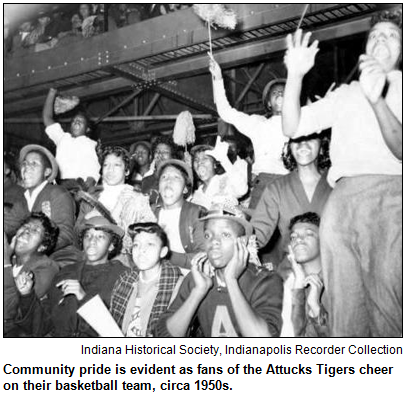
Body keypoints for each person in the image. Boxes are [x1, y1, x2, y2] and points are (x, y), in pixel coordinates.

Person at [282, 11, 402, 336]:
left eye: (391, 35)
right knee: (344, 310)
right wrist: (294, 76)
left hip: (391, 195)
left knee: (388, 304)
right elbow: (292, 126)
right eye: (375, 34)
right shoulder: (347, 93)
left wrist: (377, 101)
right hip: (341, 200)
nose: (381, 39)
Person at [155, 202, 283, 337]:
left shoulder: (265, 281)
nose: (214, 241)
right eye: (208, 235)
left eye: (225, 235)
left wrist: (231, 281)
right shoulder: (198, 278)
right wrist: (198, 292)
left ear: (243, 242)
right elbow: (163, 337)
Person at [15, 216, 127, 337]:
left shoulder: (123, 277)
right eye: (87, 236)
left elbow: (118, 332)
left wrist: (83, 297)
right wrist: (27, 295)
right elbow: (40, 327)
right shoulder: (65, 273)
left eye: (100, 236)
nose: (92, 241)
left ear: (111, 246)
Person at [209, 56, 289, 209]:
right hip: (264, 182)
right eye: (275, 93)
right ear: (268, 103)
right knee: (257, 231)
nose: (279, 94)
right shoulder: (258, 124)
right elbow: (226, 112)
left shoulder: (301, 122)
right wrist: (218, 78)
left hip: (290, 182)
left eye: (284, 92)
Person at [251, 132, 331, 269]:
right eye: (297, 138)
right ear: (290, 147)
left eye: (310, 137)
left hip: (336, 270)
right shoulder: (276, 189)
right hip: (294, 273)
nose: (303, 143)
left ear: (322, 145)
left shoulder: (336, 182)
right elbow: (257, 233)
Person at [76, 146, 156, 266]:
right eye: (106, 165)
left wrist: (117, 210)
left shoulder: (137, 199)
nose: (110, 170)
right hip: (89, 257)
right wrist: (86, 219)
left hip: (123, 261)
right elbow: (76, 237)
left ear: (127, 171)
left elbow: (147, 238)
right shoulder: (90, 199)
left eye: (117, 165)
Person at [5, 144, 81, 267]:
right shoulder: (23, 200)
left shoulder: (57, 193)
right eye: (24, 164)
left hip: (62, 258)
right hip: (31, 258)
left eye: (34, 164)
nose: (27, 168)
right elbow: (8, 224)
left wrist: (35, 249)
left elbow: (66, 233)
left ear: (47, 172)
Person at [110, 223, 184, 337]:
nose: (141, 250)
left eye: (150, 244)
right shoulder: (124, 281)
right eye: (136, 245)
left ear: (163, 252)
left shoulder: (177, 285)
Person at [4, 213, 59, 337]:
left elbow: (10, 310)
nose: (26, 231)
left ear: (42, 246)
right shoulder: (10, 260)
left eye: (35, 230)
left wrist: (4, 260)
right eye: (25, 226)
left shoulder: (47, 266)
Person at [43, 88, 101, 191]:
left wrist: (88, 183)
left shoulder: (90, 144)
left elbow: (93, 169)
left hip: (77, 186)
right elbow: (47, 118)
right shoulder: (63, 138)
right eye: (74, 121)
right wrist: (51, 92)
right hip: (59, 186)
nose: (76, 122)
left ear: (87, 129)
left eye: (81, 121)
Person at [281, 212, 328, 337]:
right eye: (293, 237)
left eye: (308, 234)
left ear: (323, 241)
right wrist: (298, 287)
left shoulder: (338, 282)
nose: (299, 240)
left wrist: (316, 309)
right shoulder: (285, 284)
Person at [155, 159, 207, 270]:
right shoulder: (150, 212)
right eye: (164, 177)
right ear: (158, 187)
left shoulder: (197, 213)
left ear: (185, 189)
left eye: (176, 177)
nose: (168, 181)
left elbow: (203, 257)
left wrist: (164, 254)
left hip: (186, 279)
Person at [190, 137, 248, 210]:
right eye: (196, 160)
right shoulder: (195, 196)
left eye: (205, 158)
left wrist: (224, 160)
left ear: (214, 164)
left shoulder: (226, 180)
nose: (199, 163)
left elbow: (242, 189)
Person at [142, 136, 177, 205]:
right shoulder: (146, 181)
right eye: (157, 151)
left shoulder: (177, 179)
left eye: (165, 152)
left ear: (172, 157)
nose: (160, 155)